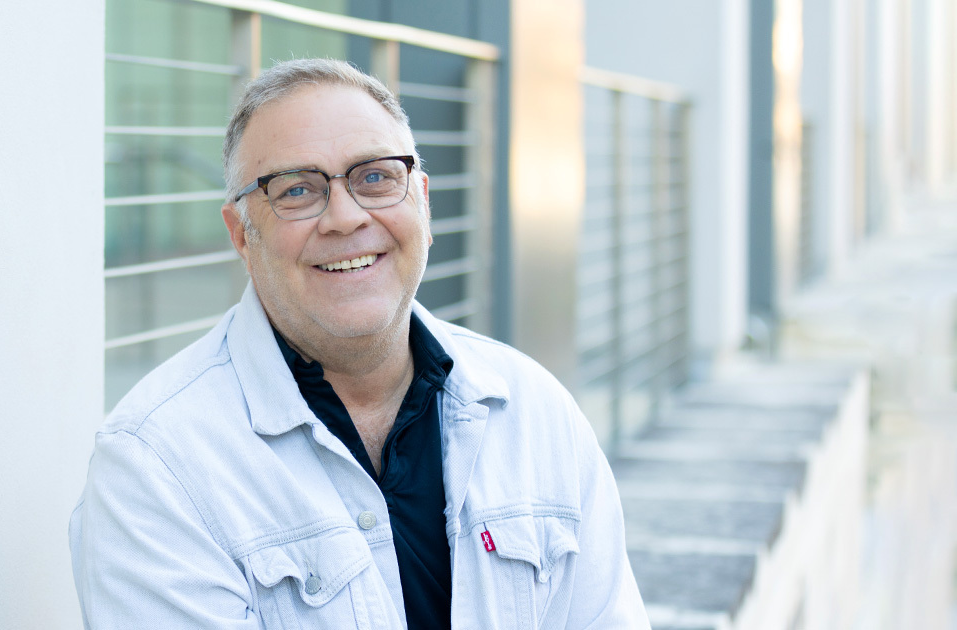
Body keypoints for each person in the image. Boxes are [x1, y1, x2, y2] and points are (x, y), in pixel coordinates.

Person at [70, 58, 648, 629]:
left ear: (422, 200)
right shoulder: (157, 468)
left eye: (375, 177)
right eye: (296, 189)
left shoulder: (535, 411)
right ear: (242, 235)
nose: (344, 218)